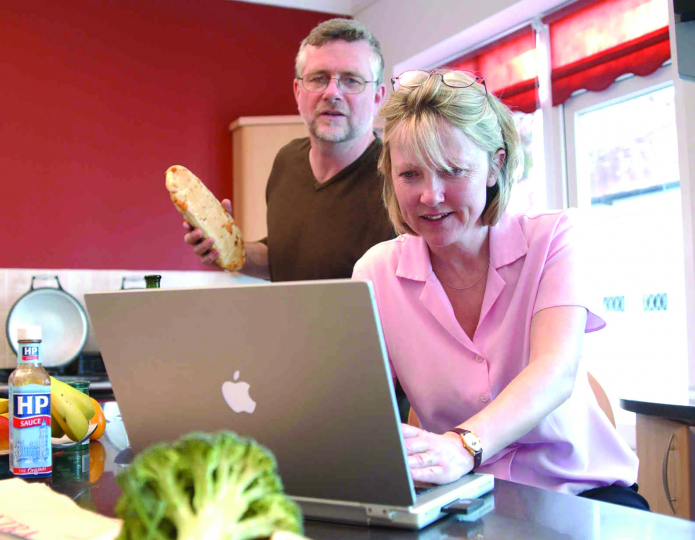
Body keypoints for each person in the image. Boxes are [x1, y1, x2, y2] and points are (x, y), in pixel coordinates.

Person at [352, 69, 647, 509]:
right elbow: (358, 404)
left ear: (496, 165)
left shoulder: (555, 239)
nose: (430, 196)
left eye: (452, 170)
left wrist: (460, 446)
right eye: (410, 175)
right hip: (463, 498)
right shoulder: (376, 272)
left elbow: (554, 372)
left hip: (581, 496)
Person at [183, 18, 395, 281]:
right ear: (298, 91)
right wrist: (224, 247)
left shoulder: (399, 178)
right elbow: (283, 259)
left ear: (377, 97)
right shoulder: (287, 161)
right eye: (318, 78)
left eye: (351, 80)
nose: (332, 92)